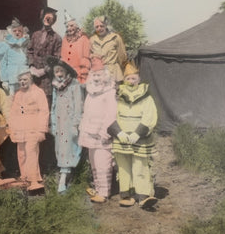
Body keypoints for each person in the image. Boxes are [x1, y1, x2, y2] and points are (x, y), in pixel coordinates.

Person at [107, 62, 159, 209]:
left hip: (139, 139)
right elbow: (109, 115)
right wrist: (118, 132)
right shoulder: (116, 97)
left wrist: (138, 133)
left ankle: (143, 195)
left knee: (140, 165)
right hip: (122, 138)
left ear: (139, 79)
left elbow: (150, 116)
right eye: (128, 79)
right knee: (123, 166)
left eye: (134, 79)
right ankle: (127, 194)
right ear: (124, 80)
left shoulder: (146, 98)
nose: (131, 82)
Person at [78, 57, 117, 203]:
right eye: (94, 75)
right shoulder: (90, 92)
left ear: (105, 76)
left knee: (103, 163)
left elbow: (111, 114)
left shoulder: (109, 92)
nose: (96, 78)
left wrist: (104, 132)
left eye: (99, 75)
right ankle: (98, 187)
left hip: (101, 133)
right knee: (93, 162)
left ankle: (104, 192)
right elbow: (86, 111)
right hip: (90, 132)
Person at [8, 67, 50, 194]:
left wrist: (42, 130)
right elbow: (14, 113)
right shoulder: (18, 94)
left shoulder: (38, 92)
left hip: (33, 128)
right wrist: (12, 129)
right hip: (20, 128)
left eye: (25, 79)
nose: (22, 82)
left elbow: (44, 112)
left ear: (30, 79)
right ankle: (25, 178)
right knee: (21, 153)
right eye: (20, 80)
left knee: (31, 153)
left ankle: (34, 180)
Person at [47, 56, 83, 193]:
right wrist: (53, 123)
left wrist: (75, 124)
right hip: (60, 123)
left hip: (70, 123)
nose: (59, 74)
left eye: (61, 71)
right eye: (57, 72)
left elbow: (78, 106)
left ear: (66, 71)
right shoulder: (56, 86)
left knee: (70, 149)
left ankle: (64, 179)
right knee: (61, 150)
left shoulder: (74, 85)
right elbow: (54, 106)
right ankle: (64, 176)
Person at [27, 6, 62, 104]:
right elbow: (30, 51)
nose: (47, 20)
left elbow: (56, 58)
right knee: (32, 102)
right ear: (42, 18)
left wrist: (43, 71)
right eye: (46, 18)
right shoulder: (35, 34)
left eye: (50, 19)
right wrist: (32, 66)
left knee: (45, 104)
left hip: (46, 76)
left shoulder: (57, 38)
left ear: (53, 21)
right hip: (33, 75)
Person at [0, 17, 30, 96]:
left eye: (19, 31)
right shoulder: (7, 46)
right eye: (15, 31)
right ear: (11, 32)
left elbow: (30, 60)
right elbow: (3, 63)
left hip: (25, 78)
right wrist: (4, 80)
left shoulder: (27, 45)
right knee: (12, 102)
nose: (17, 33)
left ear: (23, 32)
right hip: (12, 80)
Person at [89, 15, 127, 83]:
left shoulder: (115, 37)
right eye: (97, 27)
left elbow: (122, 56)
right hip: (99, 73)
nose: (99, 28)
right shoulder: (92, 40)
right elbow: (89, 56)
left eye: (101, 26)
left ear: (106, 26)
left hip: (114, 73)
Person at [60, 10, 90, 84]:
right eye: (67, 26)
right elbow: (63, 58)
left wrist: (84, 79)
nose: (69, 28)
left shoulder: (84, 39)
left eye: (71, 26)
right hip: (66, 77)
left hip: (78, 76)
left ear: (77, 26)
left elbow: (86, 59)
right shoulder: (64, 40)